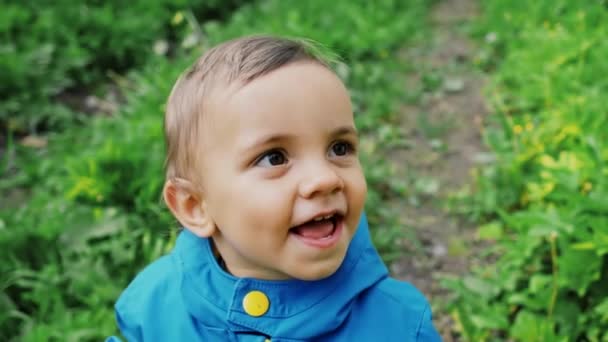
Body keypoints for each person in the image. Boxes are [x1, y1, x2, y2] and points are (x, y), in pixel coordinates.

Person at [108, 35, 441, 341]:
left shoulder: (397, 324)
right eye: (274, 158)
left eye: (339, 148)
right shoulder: (156, 306)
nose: (325, 178)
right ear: (195, 206)